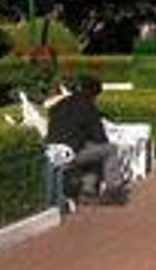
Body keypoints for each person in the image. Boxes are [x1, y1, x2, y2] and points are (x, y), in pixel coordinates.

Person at [46, 75, 128, 205]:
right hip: (70, 153)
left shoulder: (60, 104)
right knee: (110, 150)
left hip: (51, 151)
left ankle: (88, 190)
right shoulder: (88, 107)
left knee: (94, 151)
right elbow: (100, 138)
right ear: (93, 93)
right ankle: (114, 190)